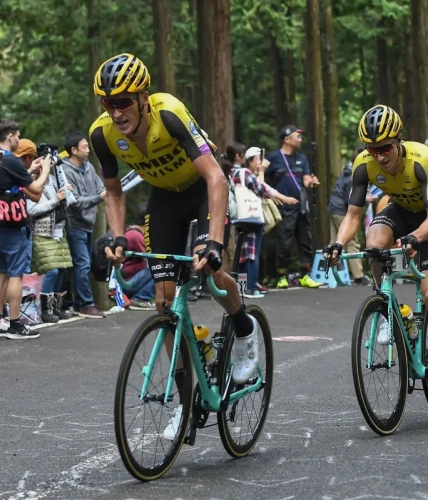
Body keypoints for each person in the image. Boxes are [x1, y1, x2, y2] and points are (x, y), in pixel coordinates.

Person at [89, 53, 260, 438]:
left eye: (123, 102)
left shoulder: (170, 114)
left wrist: (214, 241)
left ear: (144, 98)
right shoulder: (101, 135)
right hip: (164, 200)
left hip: (203, 192)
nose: (116, 112)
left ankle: (244, 330)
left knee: (212, 271)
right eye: (108, 103)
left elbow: (215, 177)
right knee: (164, 302)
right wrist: (117, 236)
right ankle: (183, 403)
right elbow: (113, 192)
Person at [324, 104, 428, 405]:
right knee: (373, 241)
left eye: (384, 148)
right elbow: (353, 215)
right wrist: (338, 243)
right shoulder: (364, 163)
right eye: (372, 149)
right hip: (400, 211)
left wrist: (414, 238)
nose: (379, 156)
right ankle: (389, 309)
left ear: (399, 141)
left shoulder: (424, 160)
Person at [0, 121, 51, 339]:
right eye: (18, 136)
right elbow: (37, 190)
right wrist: (46, 170)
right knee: (15, 274)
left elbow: (10, 182)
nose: (19, 140)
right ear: (10, 136)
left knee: (1, 273)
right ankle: (14, 324)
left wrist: (28, 171)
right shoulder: (11, 159)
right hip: (12, 226)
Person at [230, 144, 298, 298]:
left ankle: (242, 288)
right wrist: (282, 197)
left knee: (242, 255)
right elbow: (262, 189)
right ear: (251, 160)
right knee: (252, 254)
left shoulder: (233, 173)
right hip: (252, 218)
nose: (260, 162)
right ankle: (251, 287)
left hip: (240, 217)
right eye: (258, 159)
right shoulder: (245, 173)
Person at [265, 125, 321, 289]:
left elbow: (305, 180)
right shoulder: (273, 157)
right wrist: (271, 195)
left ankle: (305, 275)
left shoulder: (302, 158)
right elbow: (259, 171)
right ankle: (281, 276)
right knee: (284, 241)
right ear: (287, 139)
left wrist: (311, 181)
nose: (300, 139)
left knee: (306, 241)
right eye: (298, 136)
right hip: (283, 207)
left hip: (301, 206)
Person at [25, 139, 74, 322]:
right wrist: (55, 200)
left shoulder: (54, 179)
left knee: (62, 270)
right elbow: (31, 210)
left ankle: (57, 307)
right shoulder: (30, 181)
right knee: (52, 270)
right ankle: (45, 309)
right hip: (42, 233)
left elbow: (66, 202)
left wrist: (66, 194)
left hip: (59, 230)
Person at [61, 131, 107, 318]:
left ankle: (79, 303)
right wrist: (99, 198)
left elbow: (100, 187)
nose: (88, 150)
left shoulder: (89, 167)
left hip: (90, 222)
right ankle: (86, 304)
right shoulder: (65, 172)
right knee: (82, 264)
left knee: (82, 263)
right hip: (74, 224)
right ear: (73, 150)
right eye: (84, 147)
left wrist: (99, 195)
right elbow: (76, 201)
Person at [328, 146, 372, 286]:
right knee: (352, 241)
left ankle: (329, 274)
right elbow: (350, 199)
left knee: (334, 241)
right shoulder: (353, 175)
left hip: (334, 208)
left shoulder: (347, 171)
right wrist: (365, 199)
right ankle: (359, 276)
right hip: (342, 210)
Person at [121, 203, 156, 310]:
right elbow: (153, 256)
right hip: (127, 281)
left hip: (132, 279)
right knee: (158, 269)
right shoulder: (135, 236)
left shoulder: (134, 232)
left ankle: (139, 298)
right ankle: (140, 299)